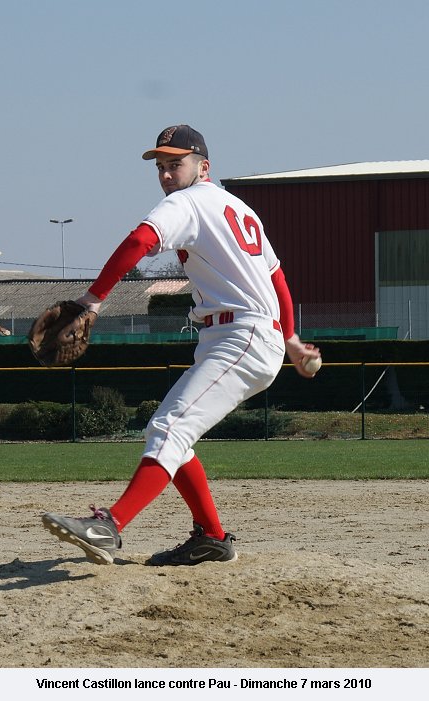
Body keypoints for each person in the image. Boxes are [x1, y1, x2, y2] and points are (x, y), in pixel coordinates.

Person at [42, 124, 321, 566]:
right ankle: (212, 537)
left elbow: (140, 240)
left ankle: (109, 526)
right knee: (176, 436)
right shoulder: (238, 207)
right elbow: (276, 279)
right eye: (161, 166)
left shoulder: (187, 203)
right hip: (239, 335)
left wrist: (92, 300)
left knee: (168, 427)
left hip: (241, 336)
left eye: (176, 163)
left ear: (203, 166)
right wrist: (290, 339)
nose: (167, 174)